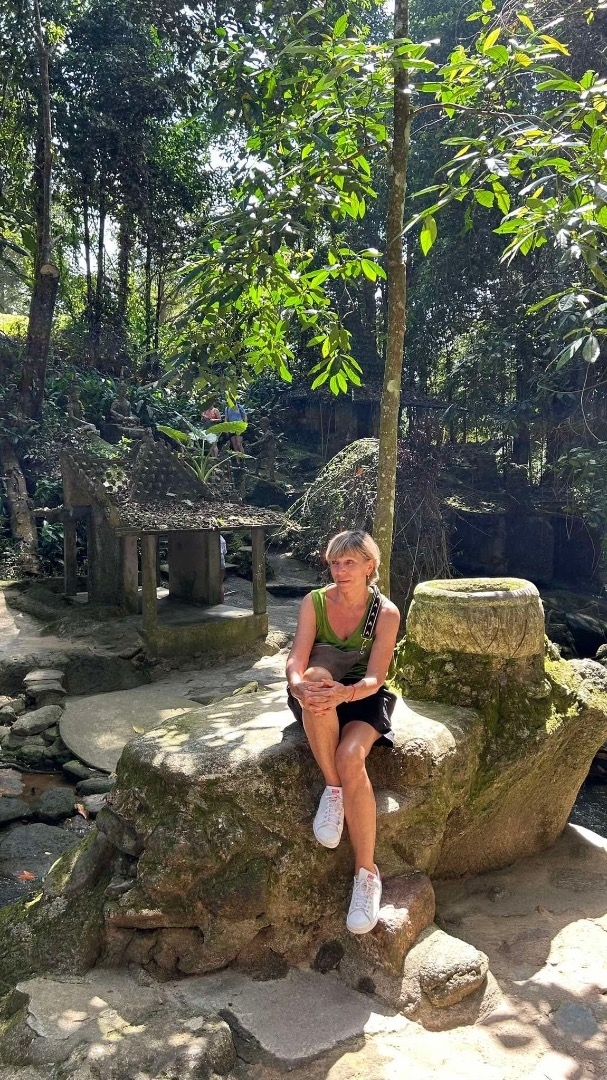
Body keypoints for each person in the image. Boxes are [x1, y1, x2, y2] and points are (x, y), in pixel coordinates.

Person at [285, 530, 400, 935]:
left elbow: (376, 678)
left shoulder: (385, 613)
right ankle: (334, 790)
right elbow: (296, 660)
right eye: (335, 562)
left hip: (361, 695)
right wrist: (298, 687)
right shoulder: (315, 602)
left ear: (370, 566)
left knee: (352, 755)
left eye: (350, 562)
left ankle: (366, 875)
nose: (341, 570)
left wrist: (345, 694)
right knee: (315, 679)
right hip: (317, 693)